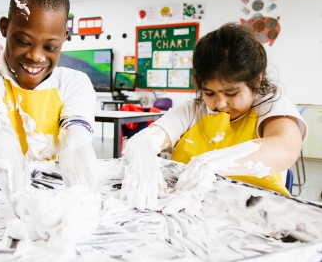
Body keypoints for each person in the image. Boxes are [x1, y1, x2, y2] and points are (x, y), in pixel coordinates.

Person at [128, 23, 306, 195]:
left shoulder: (270, 105)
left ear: (257, 80)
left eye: (231, 93)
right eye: (209, 93)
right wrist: (141, 150)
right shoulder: (192, 110)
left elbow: (286, 147)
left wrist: (210, 164)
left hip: (256, 211)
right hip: (193, 207)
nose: (220, 104)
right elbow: (148, 139)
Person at [0, 0, 98, 194]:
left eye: (50, 47)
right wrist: (20, 200)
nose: (35, 56)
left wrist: (82, 198)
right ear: (5, 27)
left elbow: (76, 142)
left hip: (54, 194)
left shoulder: (74, 83)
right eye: (23, 41)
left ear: (64, 37)